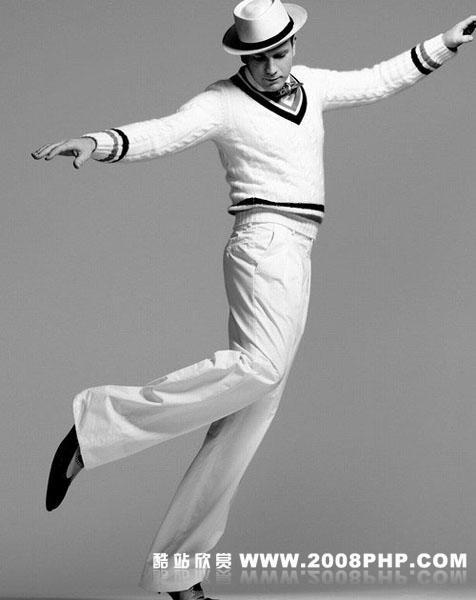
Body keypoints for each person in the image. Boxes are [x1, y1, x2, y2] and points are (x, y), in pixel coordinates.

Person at [31, 1, 475, 599]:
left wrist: (447, 41)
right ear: (242, 56)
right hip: (262, 243)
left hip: (299, 249)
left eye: (279, 53)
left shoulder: (311, 85)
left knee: (246, 419)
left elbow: (376, 81)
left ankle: (179, 572)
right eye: (258, 57)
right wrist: (101, 141)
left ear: (293, 44)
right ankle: (95, 428)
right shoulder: (222, 102)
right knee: (259, 369)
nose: (270, 66)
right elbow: (166, 131)